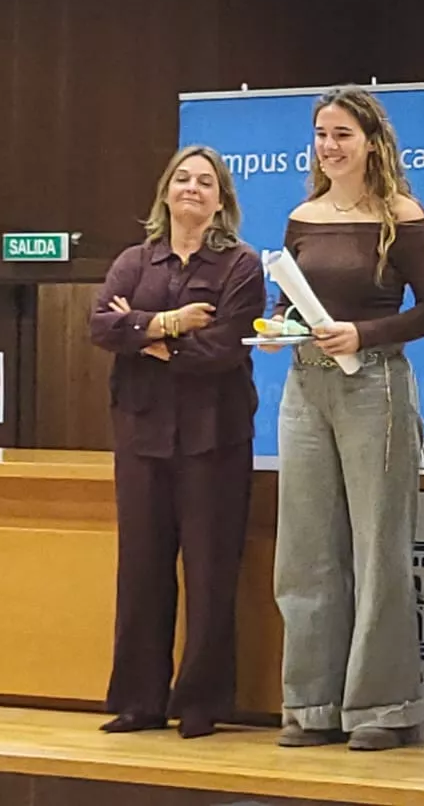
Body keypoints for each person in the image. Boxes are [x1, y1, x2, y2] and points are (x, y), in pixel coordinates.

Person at [259, 86, 424, 751]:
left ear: (370, 141)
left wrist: (362, 336)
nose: (330, 146)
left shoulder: (402, 214)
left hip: (375, 386)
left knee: (378, 549)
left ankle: (381, 707)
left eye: (342, 133)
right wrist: (280, 328)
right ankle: (310, 704)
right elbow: (281, 302)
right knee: (306, 552)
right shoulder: (301, 216)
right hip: (304, 386)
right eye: (321, 134)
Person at [89, 145, 265, 739]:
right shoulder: (135, 261)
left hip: (215, 438)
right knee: (140, 569)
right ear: (167, 191)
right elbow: (99, 325)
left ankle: (201, 703)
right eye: (183, 179)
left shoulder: (240, 265)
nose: (193, 188)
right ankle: (140, 700)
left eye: (206, 182)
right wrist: (166, 324)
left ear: (221, 201)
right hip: (142, 435)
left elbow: (225, 347)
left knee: (211, 573)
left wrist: (142, 334)